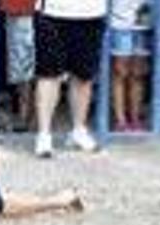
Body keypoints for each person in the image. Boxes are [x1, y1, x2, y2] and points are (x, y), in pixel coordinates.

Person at [33, 0, 108, 158]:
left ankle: (79, 130)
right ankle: (44, 135)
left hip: (91, 13)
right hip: (53, 12)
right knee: (49, 75)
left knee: (83, 75)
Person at [110, 0, 151, 133]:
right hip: (119, 23)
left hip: (145, 22)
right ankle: (120, 119)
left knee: (138, 73)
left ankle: (135, 118)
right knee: (120, 72)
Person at [1, 0, 36, 132]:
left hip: (52, 11)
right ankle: (26, 116)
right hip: (21, 10)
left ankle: (28, 117)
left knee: (25, 66)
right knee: (22, 66)